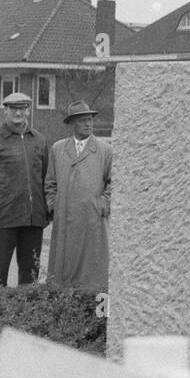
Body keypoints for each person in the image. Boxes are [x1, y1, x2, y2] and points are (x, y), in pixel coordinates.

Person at [0, 91, 50, 286]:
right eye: (13, 108)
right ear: (5, 111)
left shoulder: (39, 140)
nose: (18, 113)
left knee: (30, 274)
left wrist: (47, 211)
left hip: (33, 219)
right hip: (3, 218)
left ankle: (25, 314)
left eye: (23, 108)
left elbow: (46, 178)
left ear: (28, 111)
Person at [45, 101, 112, 293]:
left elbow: (114, 183)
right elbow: (50, 182)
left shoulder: (105, 149)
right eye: (83, 120)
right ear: (72, 123)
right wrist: (54, 205)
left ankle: (95, 314)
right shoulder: (58, 149)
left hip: (92, 222)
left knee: (94, 276)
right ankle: (65, 310)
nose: (88, 124)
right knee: (62, 275)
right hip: (65, 221)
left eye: (90, 120)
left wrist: (102, 205)